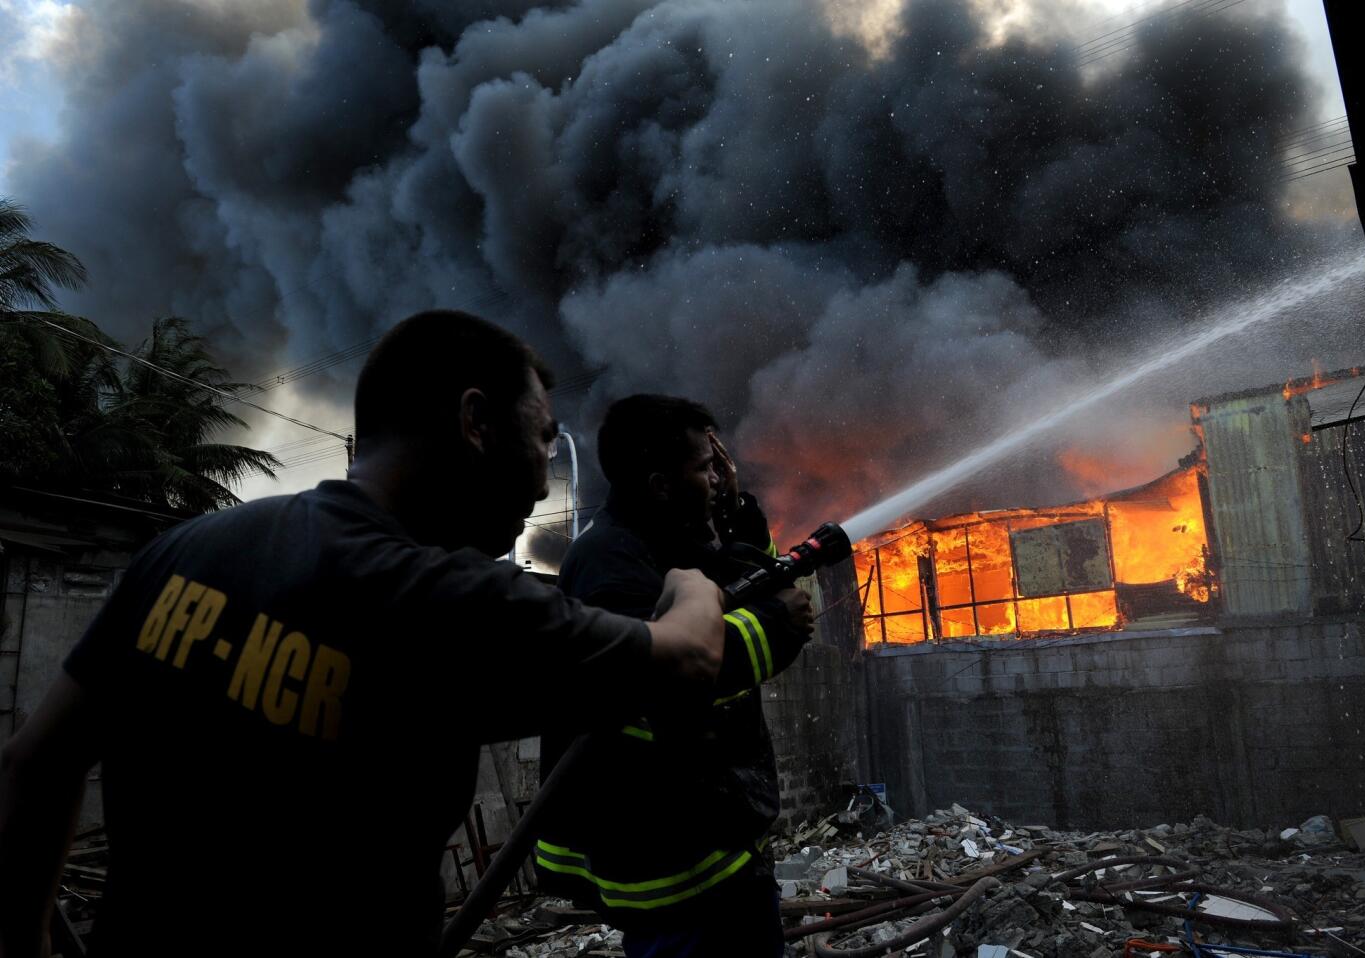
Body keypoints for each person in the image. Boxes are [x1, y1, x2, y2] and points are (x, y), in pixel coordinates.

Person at [0, 312, 728, 958]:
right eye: (541, 439)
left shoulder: (184, 550)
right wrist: (690, 577)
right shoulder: (458, 604)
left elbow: (36, 761)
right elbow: (691, 655)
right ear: (475, 422)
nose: (545, 481)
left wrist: (26, 932)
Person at [535, 394, 814, 958]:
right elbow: (680, 673)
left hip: (715, 835)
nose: (718, 475)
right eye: (704, 467)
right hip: (668, 858)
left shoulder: (673, 534)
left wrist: (740, 514)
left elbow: (744, 585)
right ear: (661, 483)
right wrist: (777, 627)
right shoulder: (609, 563)